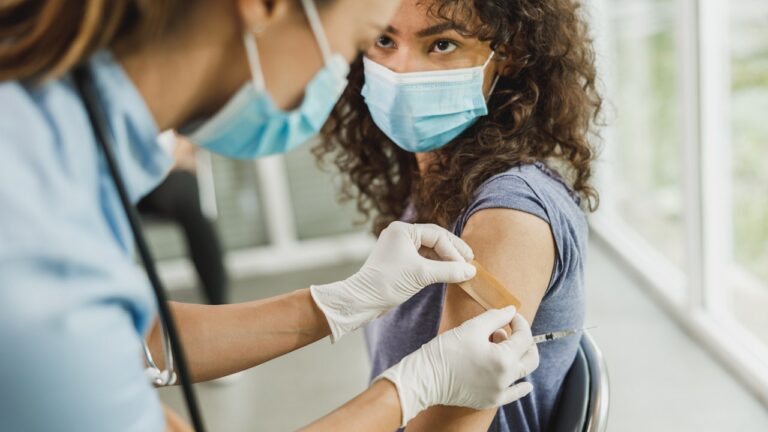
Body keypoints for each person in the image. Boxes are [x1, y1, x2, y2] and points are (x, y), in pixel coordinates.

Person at [0, 0, 541, 431]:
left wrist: (335, 305)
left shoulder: (50, 132)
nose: (344, 78)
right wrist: (408, 391)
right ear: (264, 5)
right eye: (364, 41)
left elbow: (129, 341)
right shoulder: (34, 235)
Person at [317, 0, 602, 430]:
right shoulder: (436, 185)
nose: (403, 69)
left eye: (443, 44)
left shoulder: (508, 213)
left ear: (509, 51)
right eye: (384, 40)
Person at [138, 133, 229, 305]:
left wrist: (169, 162)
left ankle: (219, 305)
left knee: (189, 201)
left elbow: (191, 137)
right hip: (128, 179)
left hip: (170, 173)